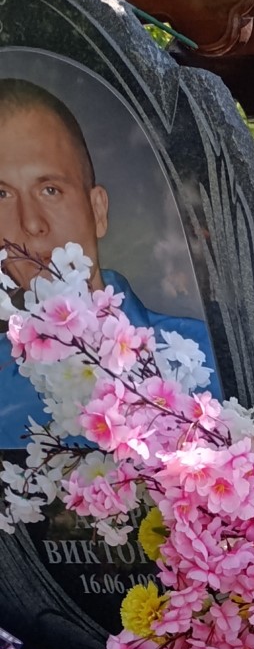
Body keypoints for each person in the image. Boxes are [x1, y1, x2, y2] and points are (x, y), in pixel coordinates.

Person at [0, 78, 217, 449]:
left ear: (98, 209)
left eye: (50, 190)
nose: (31, 223)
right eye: (2, 194)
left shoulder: (202, 352)